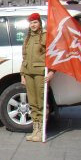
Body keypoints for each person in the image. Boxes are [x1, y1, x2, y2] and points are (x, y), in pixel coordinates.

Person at [20, 13, 55, 142]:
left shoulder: (46, 37)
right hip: (28, 73)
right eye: (31, 23)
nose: (33, 25)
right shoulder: (28, 38)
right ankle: (35, 129)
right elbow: (24, 57)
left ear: (40, 23)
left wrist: (51, 72)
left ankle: (41, 131)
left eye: (35, 22)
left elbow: (53, 56)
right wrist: (23, 74)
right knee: (33, 103)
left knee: (41, 102)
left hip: (41, 74)